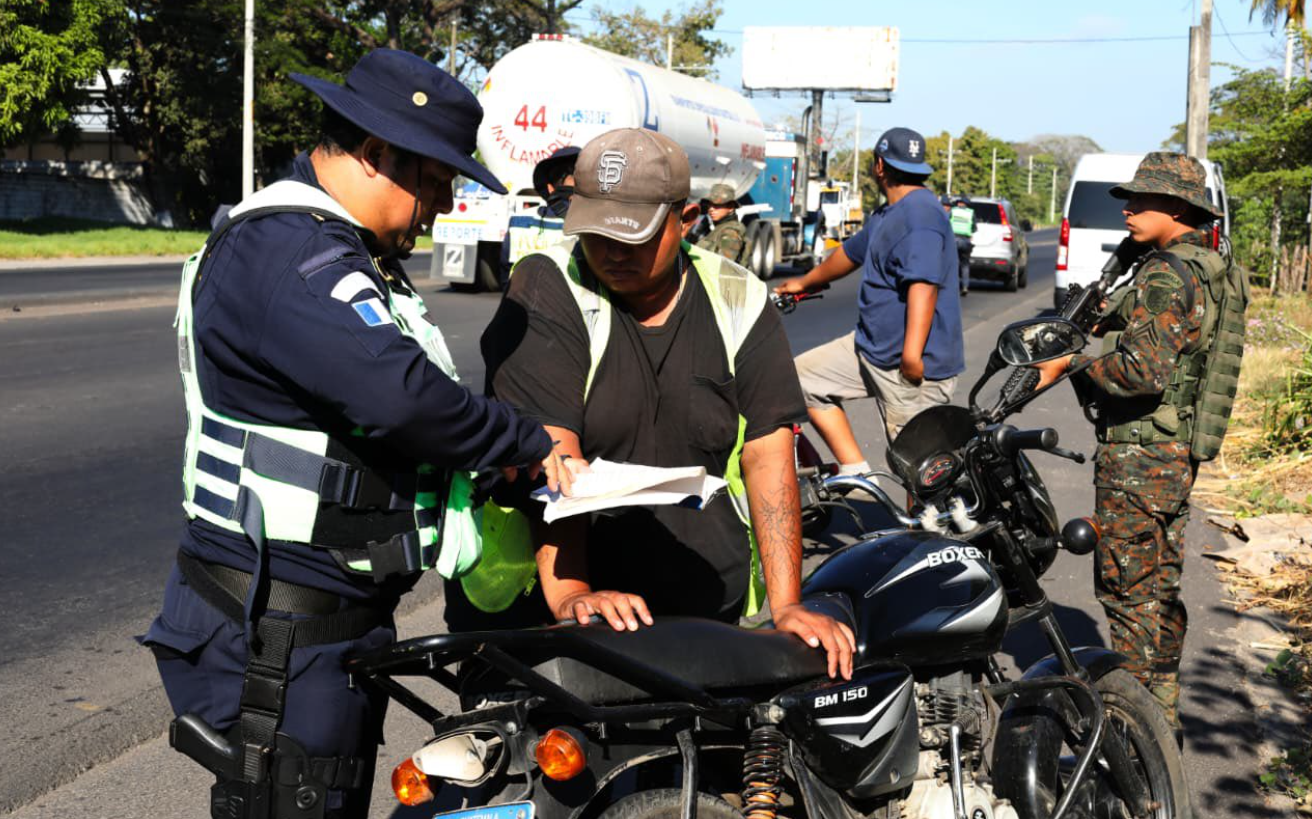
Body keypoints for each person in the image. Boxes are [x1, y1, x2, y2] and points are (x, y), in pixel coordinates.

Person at [141, 49, 576, 817]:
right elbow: (402, 398)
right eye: (434, 182)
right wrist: (526, 440)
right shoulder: (289, 251)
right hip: (276, 635)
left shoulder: (334, 247)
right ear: (376, 153)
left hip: (315, 630)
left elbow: (366, 423)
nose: (439, 206)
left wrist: (482, 468)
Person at [480, 128, 856, 679]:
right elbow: (555, 456)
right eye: (597, 232)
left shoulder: (738, 296)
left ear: (685, 220)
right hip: (580, 616)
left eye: (632, 235)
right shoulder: (548, 285)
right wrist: (574, 595)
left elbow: (768, 453)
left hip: (708, 606)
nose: (612, 251)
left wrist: (787, 605)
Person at [1033, 152, 1237, 729]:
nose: (1127, 208)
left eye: (1142, 199)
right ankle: (1162, 722)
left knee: (1128, 594)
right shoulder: (1205, 264)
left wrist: (1072, 363)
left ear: (1176, 207)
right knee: (1158, 591)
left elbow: (1140, 373)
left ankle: (1135, 730)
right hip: (1171, 453)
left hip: (1140, 459)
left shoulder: (1165, 274)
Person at [775, 127, 964, 474]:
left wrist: (911, 356)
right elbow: (849, 254)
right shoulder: (889, 214)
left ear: (880, 165)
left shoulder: (920, 215)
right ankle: (857, 472)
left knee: (918, 470)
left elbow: (923, 286)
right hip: (870, 350)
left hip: (907, 367)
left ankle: (928, 512)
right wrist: (803, 282)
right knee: (800, 378)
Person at [498, 145, 580, 286]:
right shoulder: (590, 224)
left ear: (549, 189)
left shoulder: (519, 221)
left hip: (520, 296)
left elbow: (506, 270)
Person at [695, 182, 749, 264]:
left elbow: (724, 265)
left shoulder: (731, 232)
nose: (711, 209)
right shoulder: (719, 228)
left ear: (730, 207)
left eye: (716, 205)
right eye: (709, 205)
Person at [946, 195, 975, 297]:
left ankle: (951, 286)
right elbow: (974, 228)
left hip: (953, 239)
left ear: (959, 203)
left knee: (952, 263)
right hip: (966, 241)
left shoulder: (953, 211)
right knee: (965, 265)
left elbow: (946, 222)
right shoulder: (971, 213)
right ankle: (965, 287)